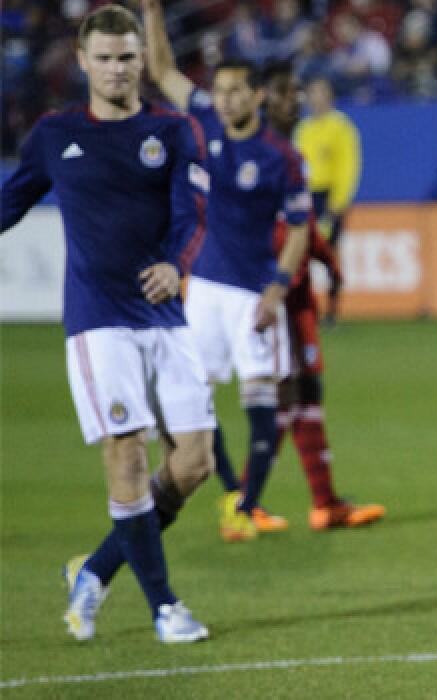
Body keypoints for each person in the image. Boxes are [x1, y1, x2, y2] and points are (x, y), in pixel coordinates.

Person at [0, 4, 212, 642]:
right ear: (83, 61)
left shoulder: (173, 132)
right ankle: (165, 608)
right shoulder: (54, 134)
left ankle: (93, 570)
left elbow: (192, 216)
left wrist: (176, 266)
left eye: (128, 56)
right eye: (106, 57)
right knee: (127, 452)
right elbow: (8, 204)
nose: (118, 68)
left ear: (140, 59)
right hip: (98, 321)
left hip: (165, 317)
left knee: (195, 463)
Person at [142, 0, 310, 542]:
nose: (225, 99)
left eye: (236, 91)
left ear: (257, 96)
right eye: (220, 90)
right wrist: (151, 12)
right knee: (197, 396)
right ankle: (234, 496)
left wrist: (277, 288)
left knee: (263, 402)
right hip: (205, 289)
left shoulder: (281, 155)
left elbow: (301, 228)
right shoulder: (206, 119)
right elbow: (163, 71)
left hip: (252, 294)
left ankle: (249, 504)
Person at [254, 61, 386, 530]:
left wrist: (326, 259)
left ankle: (324, 503)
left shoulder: (289, 154)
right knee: (284, 396)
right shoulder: (263, 158)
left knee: (305, 392)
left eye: (298, 92)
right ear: (264, 101)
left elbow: (302, 221)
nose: (298, 101)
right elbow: (276, 228)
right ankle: (245, 505)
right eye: (287, 93)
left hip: (298, 296)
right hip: (277, 296)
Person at [294, 75, 361, 266]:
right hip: (306, 196)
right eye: (312, 93)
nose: (316, 98)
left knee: (329, 250)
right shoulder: (303, 128)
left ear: (330, 96)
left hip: (328, 195)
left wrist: (338, 202)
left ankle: (334, 291)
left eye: (321, 92)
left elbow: (347, 166)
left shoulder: (340, 127)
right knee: (300, 250)